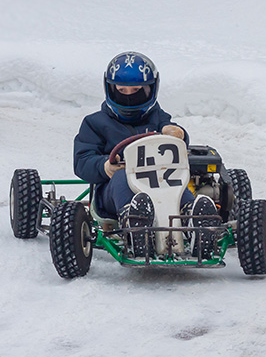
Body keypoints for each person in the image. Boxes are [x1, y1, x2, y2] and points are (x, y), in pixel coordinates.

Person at [73, 51, 218, 256]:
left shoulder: (157, 118)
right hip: (114, 192)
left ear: (150, 89)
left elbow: (176, 139)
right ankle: (134, 223)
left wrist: (178, 133)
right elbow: (82, 161)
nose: (129, 95)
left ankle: (193, 221)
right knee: (124, 175)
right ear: (110, 89)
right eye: (122, 90)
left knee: (174, 180)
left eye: (136, 90)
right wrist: (105, 166)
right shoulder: (95, 123)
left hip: (161, 183)